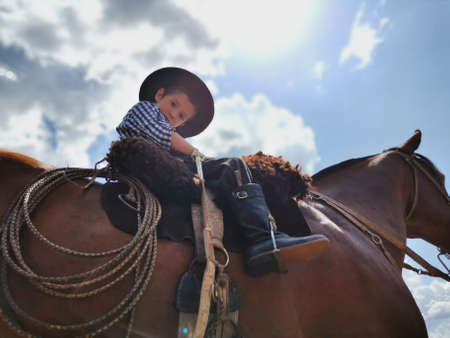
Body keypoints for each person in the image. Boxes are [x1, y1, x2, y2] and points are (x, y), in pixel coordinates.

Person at [116, 67, 329, 277]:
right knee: (231, 166)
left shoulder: (167, 128)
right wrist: (197, 154)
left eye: (181, 116)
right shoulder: (146, 109)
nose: (173, 114)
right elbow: (160, 134)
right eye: (173, 104)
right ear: (159, 94)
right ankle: (263, 237)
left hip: (160, 164)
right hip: (144, 158)